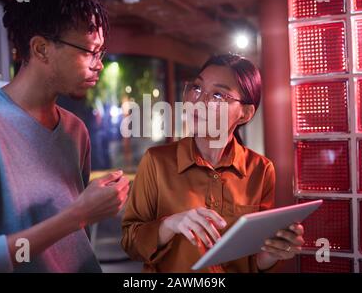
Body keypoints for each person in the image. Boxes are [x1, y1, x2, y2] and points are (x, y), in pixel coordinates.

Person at [0, 0, 129, 272]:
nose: (99, 65)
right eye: (89, 51)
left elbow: (73, 239)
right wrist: (77, 215)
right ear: (41, 49)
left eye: (101, 53)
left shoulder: (76, 130)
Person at [121, 54, 304, 272]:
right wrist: (170, 224)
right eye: (197, 88)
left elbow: (254, 261)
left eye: (218, 95)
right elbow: (130, 244)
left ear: (245, 113)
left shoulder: (261, 170)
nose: (198, 101)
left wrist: (272, 254)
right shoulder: (156, 162)